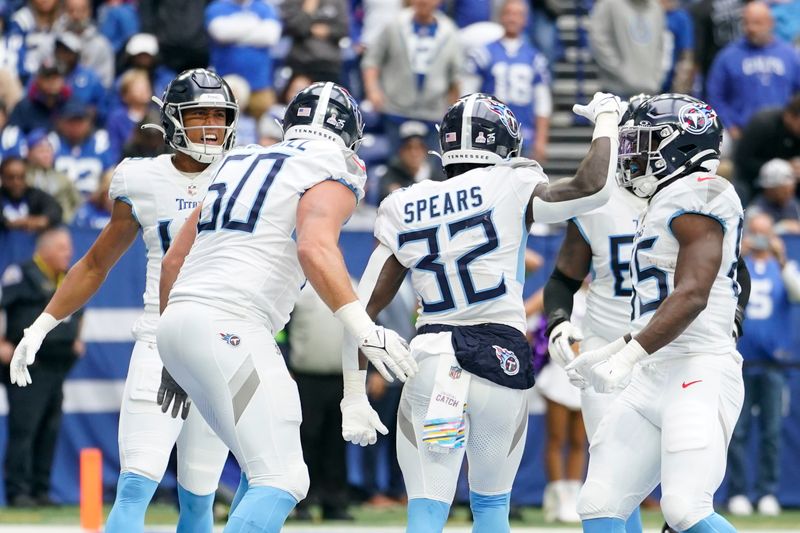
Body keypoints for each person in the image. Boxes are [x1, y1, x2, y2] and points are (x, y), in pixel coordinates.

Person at [340, 91, 626, 533]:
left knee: (428, 508)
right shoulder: (513, 182)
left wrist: (354, 394)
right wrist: (606, 120)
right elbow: (593, 186)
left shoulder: (405, 203)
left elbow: (361, 312)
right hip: (501, 361)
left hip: (434, 361)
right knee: (492, 507)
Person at [155, 82, 417, 533]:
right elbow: (315, 249)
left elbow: (175, 258)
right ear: (350, 136)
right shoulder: (335, 165)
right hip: (232, 321)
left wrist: (172, 357)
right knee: (284, 477)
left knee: (262, 470)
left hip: (178, 320)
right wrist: (363, 328)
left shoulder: (238, 158)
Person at [8, 69, 239, 533]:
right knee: (137, 483)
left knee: (199, 498)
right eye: (200, 114)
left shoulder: (246, 172)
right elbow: (94, 264)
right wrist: (41, 325)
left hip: (224, 345)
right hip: (162, 341)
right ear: (173, 119)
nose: (212, 125)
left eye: (220, 113)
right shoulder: (142, 178)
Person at [566, 94, 746, 533]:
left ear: (679, 145)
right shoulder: (663, 199)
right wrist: (615, 349)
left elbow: (691, 295)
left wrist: (626, 356)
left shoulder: (701, 192)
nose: (632, 154)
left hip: (698, 369)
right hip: (652, 371)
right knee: (598, 503)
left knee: (684, 508)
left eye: (643, 142)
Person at [0, 227, 82, 507]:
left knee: (50, 428)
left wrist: (77, 338)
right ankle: (18, 490)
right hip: (28, 366)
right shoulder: (20, 274)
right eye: (61, 248)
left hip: (57, 366)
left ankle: (40, 489)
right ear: (43, 250)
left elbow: (78, 310)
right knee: (25, 428)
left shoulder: (69, 277)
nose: (68, 253)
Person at [727, 213, 800, 517]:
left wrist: (782, 259)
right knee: (738, 431)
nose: (758, 239)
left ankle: (768, 490)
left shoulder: (783, 268)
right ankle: (739, 491)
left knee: (771, 431)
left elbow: (796, 294)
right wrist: (736, 257)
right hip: (740, 362)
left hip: (774, 364)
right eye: (753, 233)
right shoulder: (736, 266)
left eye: (764, 233)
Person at [463, 0, 552, 161]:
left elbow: (542, 102)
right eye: (509, 13)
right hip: (490, 134)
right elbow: (468, 97)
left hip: (523, 133)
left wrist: (541, 139)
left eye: (518, 14)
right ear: (501, 17)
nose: (513, 19)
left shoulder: (535, 58)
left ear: (525, 19)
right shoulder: (483, 53)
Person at [0, 156, 63, 233]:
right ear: (2, 178)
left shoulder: (34, 195)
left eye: (21, 177)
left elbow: (55, 209)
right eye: (11, 177)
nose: (16, 182)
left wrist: (42, 221)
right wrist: (16, 223)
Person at [747, 158, 800, 232]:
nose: (789, 194)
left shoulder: (794, 205)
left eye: (791, 189)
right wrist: (782, 227)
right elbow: (749, 240)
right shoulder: (756, 210)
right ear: (770, 189)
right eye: (784, 191)